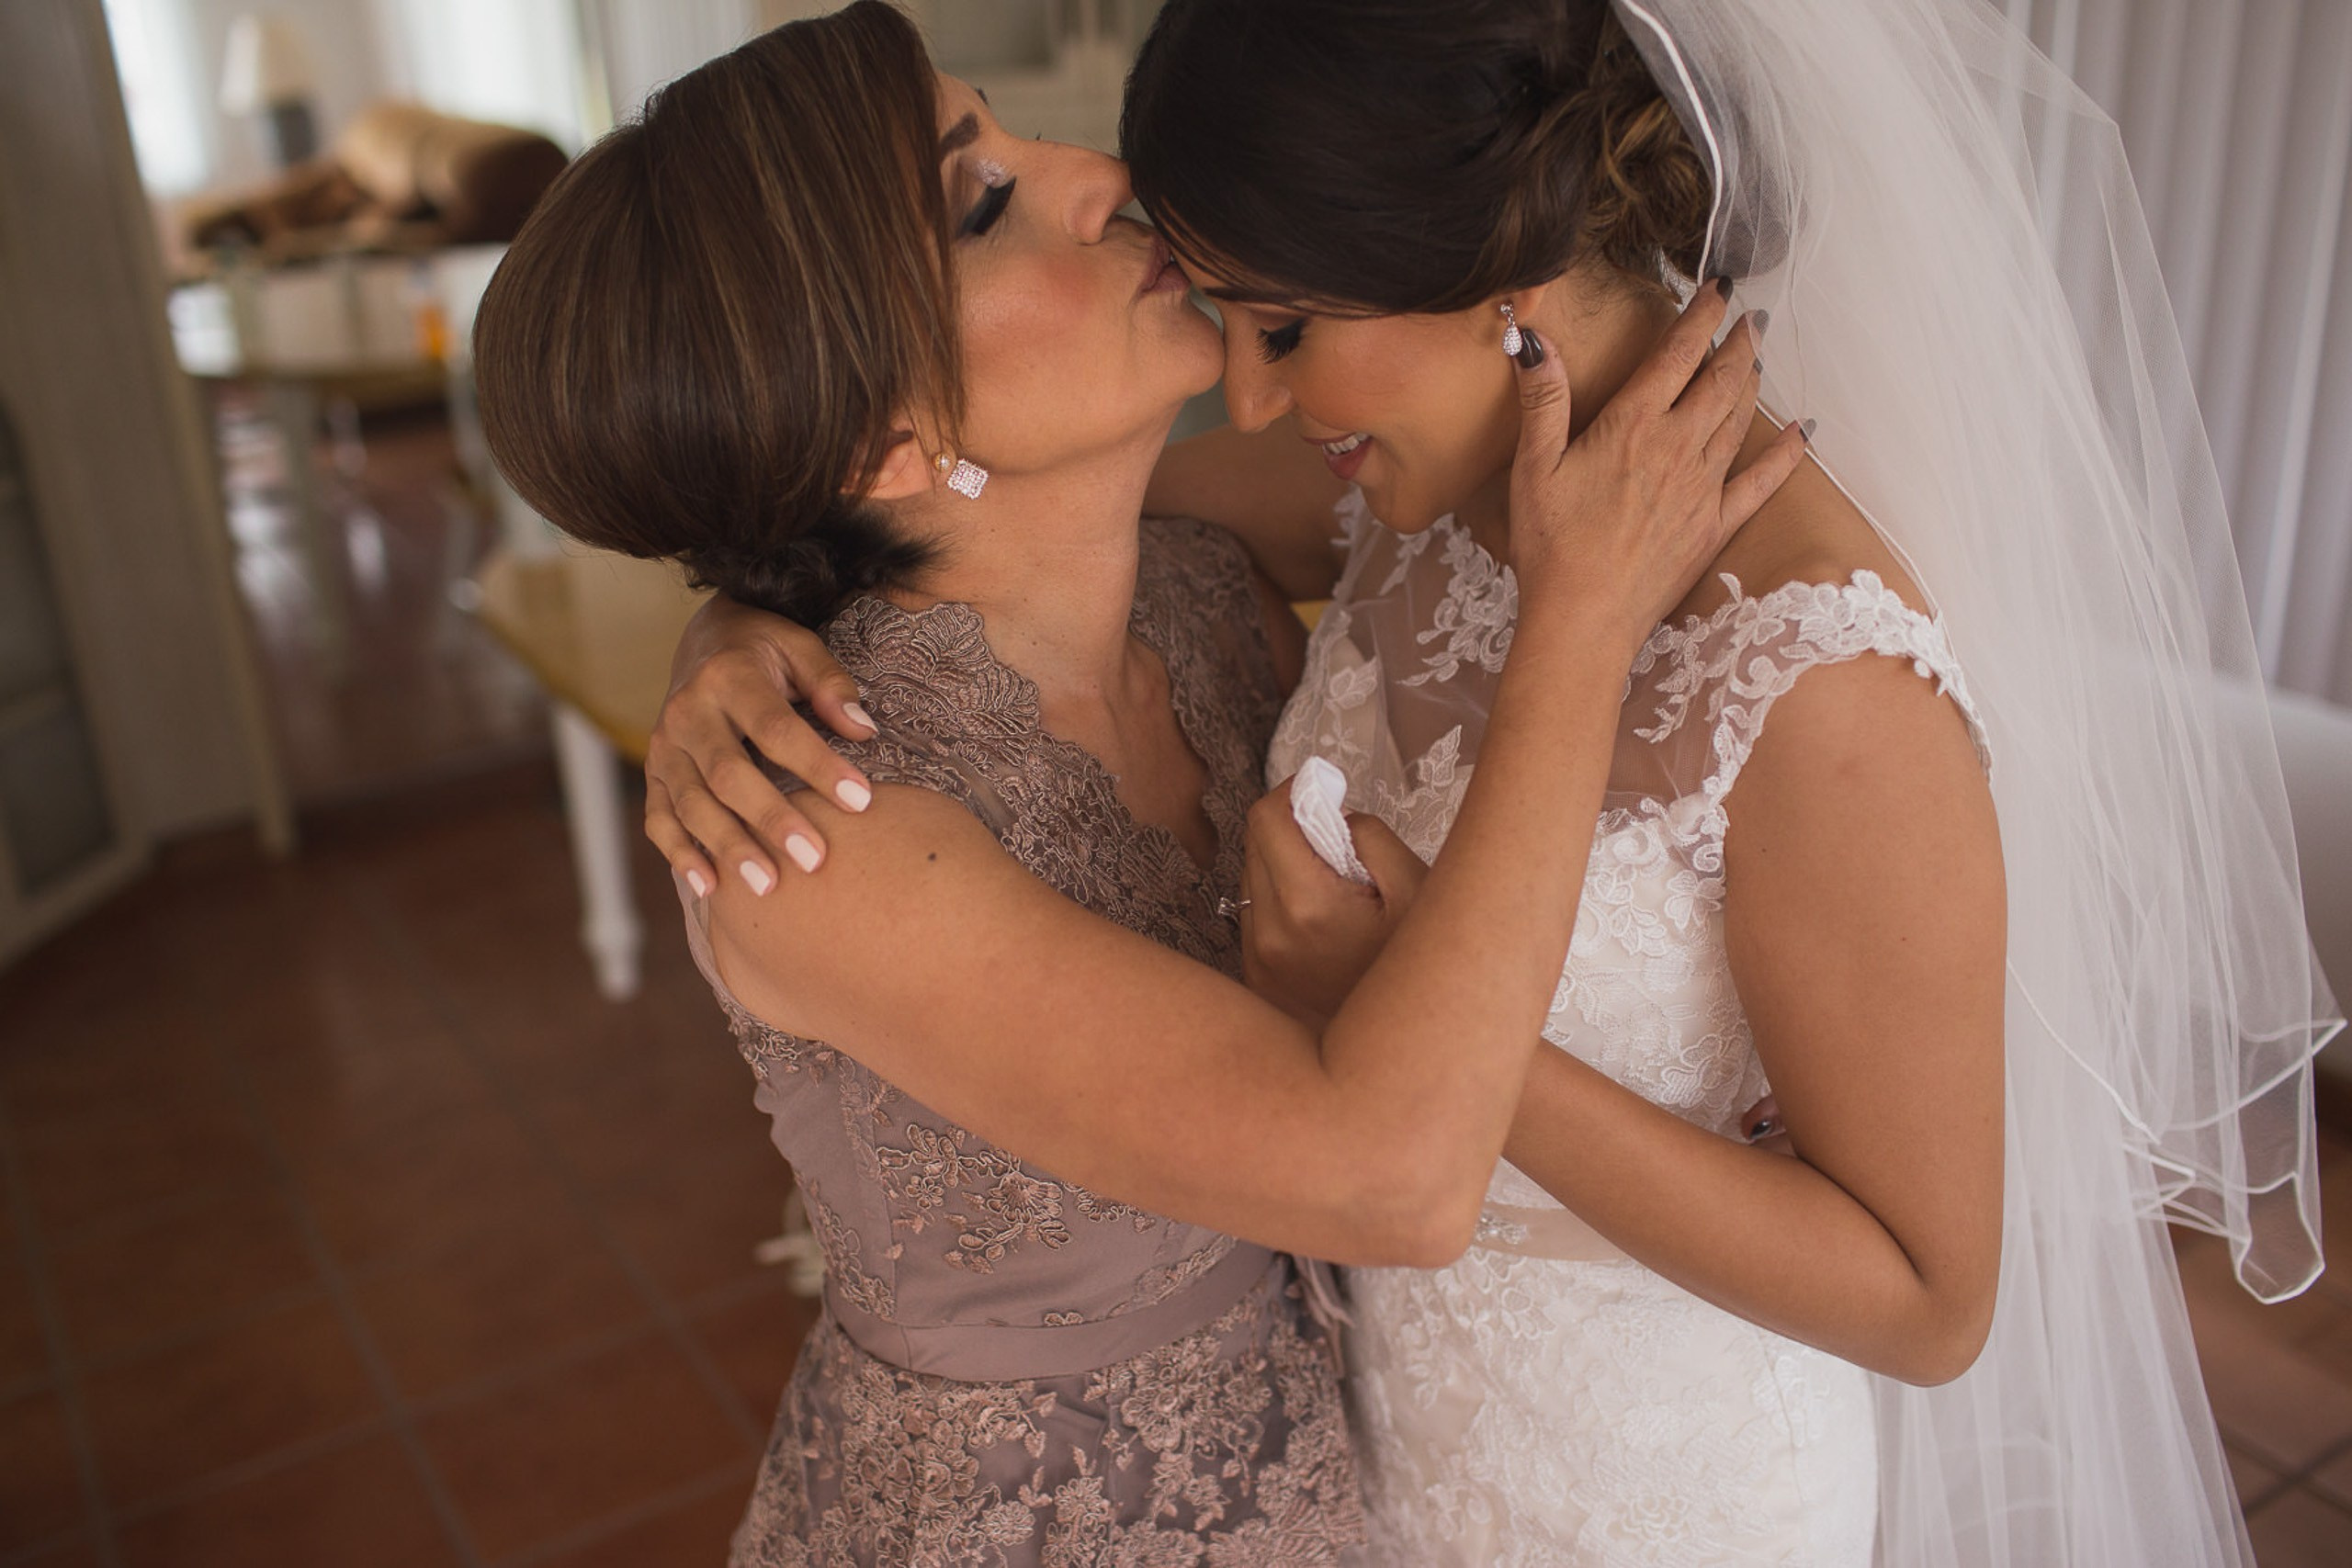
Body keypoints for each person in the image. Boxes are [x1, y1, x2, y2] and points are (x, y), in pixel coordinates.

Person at [650, 2, 2337, 1563]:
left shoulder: (1816, 681)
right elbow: (908, 511)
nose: (1248, 387)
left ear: (1499, 285)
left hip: (1652, 1482)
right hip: (1364, 1457)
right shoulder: (1392, 482)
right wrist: (731, 627)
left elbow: (1924, 1298)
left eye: (1287, 324)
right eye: (1233, 317)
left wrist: (1415, 1010)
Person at [471, 4, 1802, 1562]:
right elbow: (1391, 1177)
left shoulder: (1194, 580)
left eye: (1014, 140)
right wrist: (1584, 624)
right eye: (984, 203)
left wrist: (735, 611)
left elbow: (1468, 445)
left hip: (1328, 1470)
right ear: (880, 439)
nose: (1097, 173)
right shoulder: (825, 844)